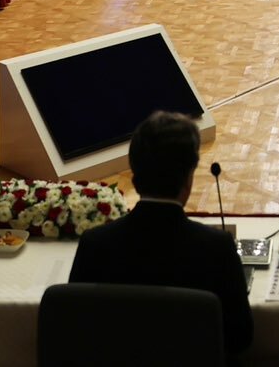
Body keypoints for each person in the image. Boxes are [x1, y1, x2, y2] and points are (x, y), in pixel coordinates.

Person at [68, 111, 252, 356]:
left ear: (134, 178)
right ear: (188, 179)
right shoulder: (217, 248)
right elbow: (240, 337)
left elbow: (76, 328)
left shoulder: (95, 244)